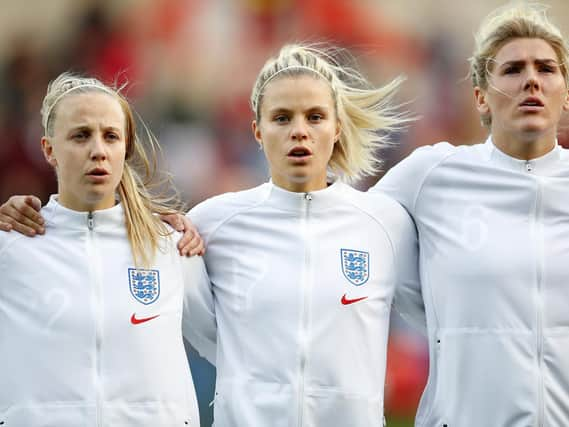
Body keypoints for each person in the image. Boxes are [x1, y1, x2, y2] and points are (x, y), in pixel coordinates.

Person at [0, 44, 419, 426]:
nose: (299, 131)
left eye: (314, 117)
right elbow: (207, 334)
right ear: (257, 131)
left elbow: (436, 313)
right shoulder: (209, 224)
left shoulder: (383, 222)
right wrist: (254, 388)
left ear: (337, 127)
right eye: (281, 118)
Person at [371, 3, 569, 426]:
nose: (531, 79)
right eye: (513, 70)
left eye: (546, 69)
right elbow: (348, 226)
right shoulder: (432, 174)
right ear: (481, 97)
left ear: (565, 91)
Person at [0, 72, 215, 426]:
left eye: (110, 136)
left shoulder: (172, 246)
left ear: (125, 148)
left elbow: (228, 346)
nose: (98, 150)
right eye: (81, 136)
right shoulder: (13, 246)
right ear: (48, 149)